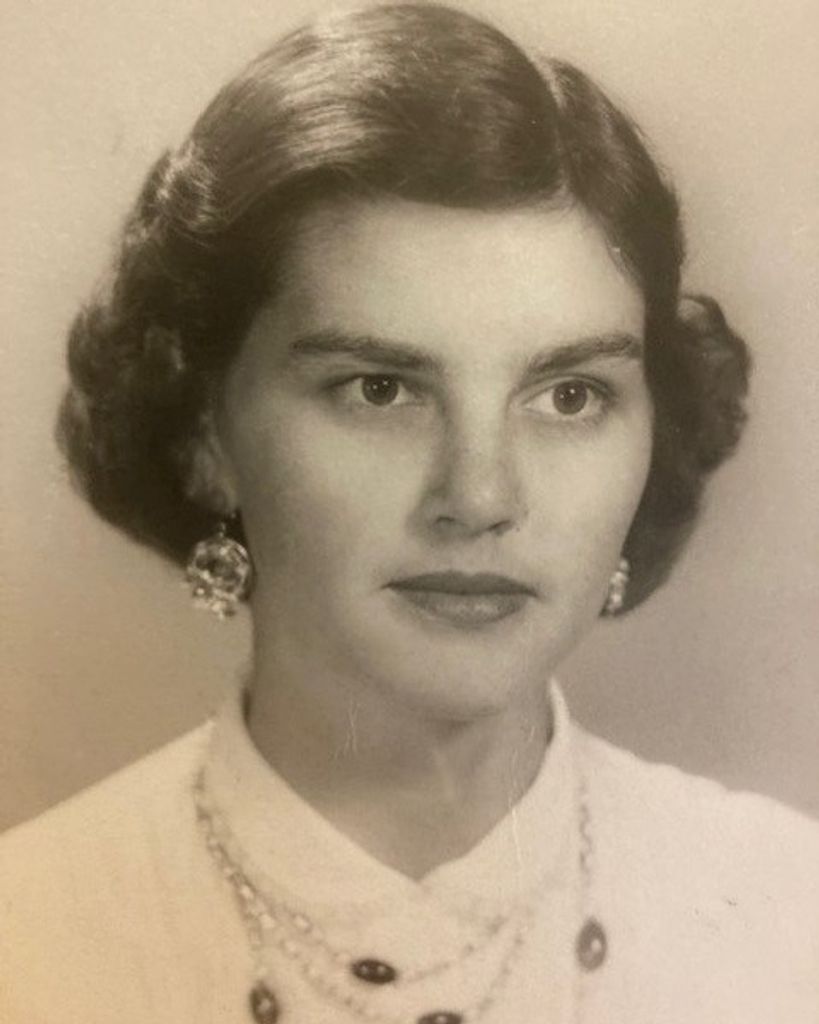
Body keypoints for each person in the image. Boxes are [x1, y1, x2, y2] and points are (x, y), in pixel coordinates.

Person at [1, 4, 817, 1022]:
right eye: (380, 389)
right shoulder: (30, 933)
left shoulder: (788, 916)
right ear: (204, 434)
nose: (480, 497)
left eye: (569, 396)